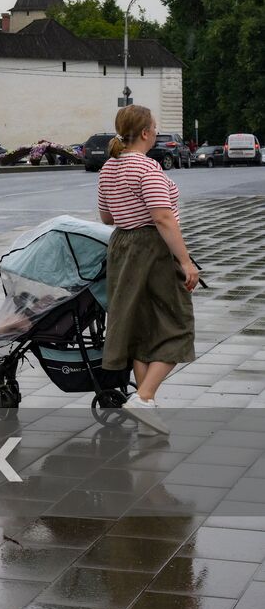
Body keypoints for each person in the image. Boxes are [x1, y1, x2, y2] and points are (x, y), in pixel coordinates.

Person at [97, 104, 198, 434]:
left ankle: (146, 405)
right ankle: (144, 398)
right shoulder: (148, 168)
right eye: (154, 127)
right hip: (152, 251)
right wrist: (185, 262)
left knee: (139, 329)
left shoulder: (109, 168)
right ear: (144, 133)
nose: (156, 131)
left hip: (122, 249)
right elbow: (162, 217)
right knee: (177, 323)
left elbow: (107, 218)